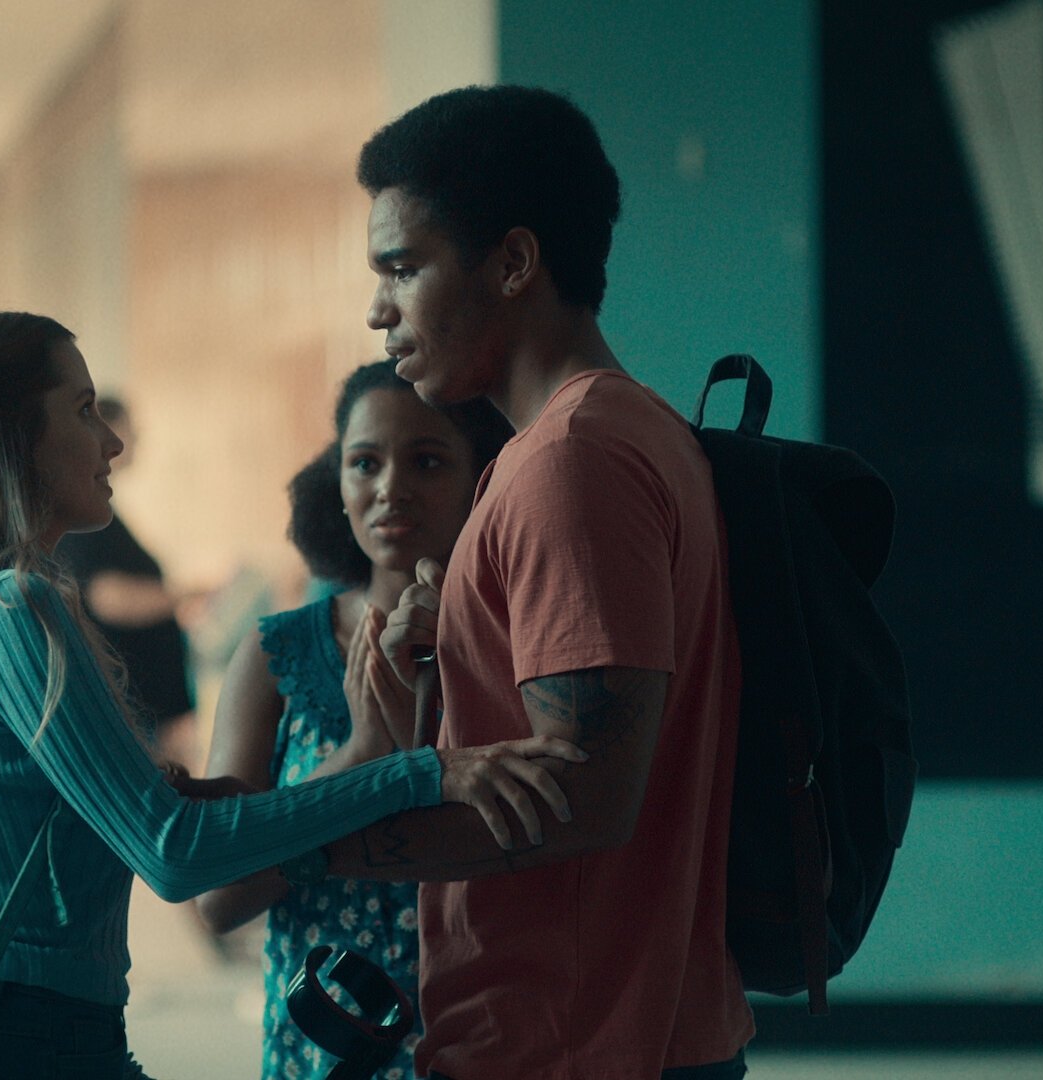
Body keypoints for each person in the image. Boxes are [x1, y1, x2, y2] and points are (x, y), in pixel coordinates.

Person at [0, 312, 582, 1078]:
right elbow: (176, 853)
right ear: (12, 435)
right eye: (84, 410)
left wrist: (298, 774)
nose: (112, 441)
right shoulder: (10, 609)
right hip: (35, 1040)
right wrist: (419, 773)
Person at [304, 86, 752, 1078]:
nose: (378, 311)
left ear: (512, 263)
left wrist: (291, 839)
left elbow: (584, 798)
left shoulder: (572, 461)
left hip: (575, 1047)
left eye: (402, 268)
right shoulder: (605, 436)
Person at [196, 359, 513, 1080]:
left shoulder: (518, 648)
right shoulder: (277, 654)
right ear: (334, 482)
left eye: (427, 461)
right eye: (364, 462)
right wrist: (359, 762)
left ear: (482, 479)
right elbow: (217, 897)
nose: (390, 487)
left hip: (493, 1040)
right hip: (330, 1046)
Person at [54, 397, 195, 764]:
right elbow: (106, 597)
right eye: (128, 431)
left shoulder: (104, 515)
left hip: (154, 709)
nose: (124, 443)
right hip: (136, 708)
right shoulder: (83, 522)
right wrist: (184, 597)